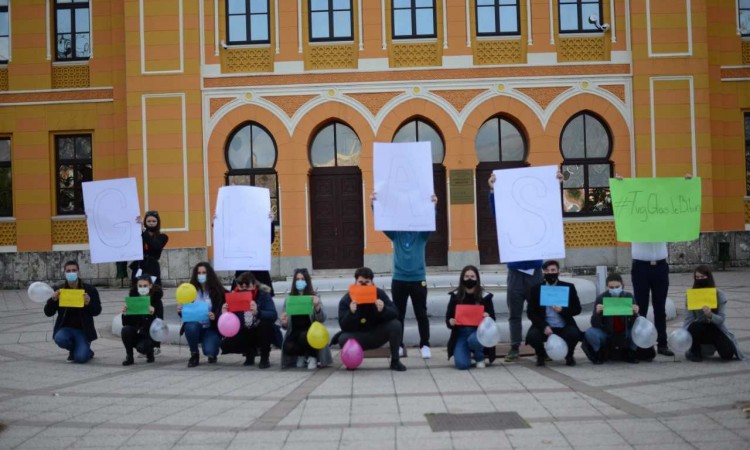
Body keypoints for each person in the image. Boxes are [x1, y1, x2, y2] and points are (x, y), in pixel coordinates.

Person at [371, 192, 437, 359]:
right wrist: (374, 205)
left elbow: (430, 222)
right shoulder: (396, 234)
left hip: (418, 280)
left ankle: (425, 345)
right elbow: (382, 222)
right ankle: (398, 345)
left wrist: (433, 206)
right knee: (398, 314)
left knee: (421, 314)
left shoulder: (422, 234)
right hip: (399, 279)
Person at [488, 174, 544, 363]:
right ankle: (514, 347)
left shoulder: (537, 213)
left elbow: (550, 207)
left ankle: (540, 347)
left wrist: (556, 185)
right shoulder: (509, 216)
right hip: (515, 272)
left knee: (538, 311)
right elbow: (497, 212)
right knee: (514, 313)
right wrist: (493, 191)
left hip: (535, 271)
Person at [336, 267, 406, 371]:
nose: (364, 285)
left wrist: (383, 309)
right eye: (360, 282)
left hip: (376, 334)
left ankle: (395, 361)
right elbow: (343, 325)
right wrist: (351, 312)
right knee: (343, 338)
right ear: (355, 282)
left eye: (367, 282)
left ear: (372, 282)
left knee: (396, 325)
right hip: (358, 336)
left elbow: (395, 313)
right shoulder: (347, 299)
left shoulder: (379, 294)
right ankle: (351, 361)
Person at [683, 265, 746, 362]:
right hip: (699, 328)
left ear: (708, 277)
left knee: (727, 354)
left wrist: (710, 315)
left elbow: (721, 319)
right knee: (694, 326)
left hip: (715, 328)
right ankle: (695, 352)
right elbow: (688, 319)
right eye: (697, 277)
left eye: (702, 277)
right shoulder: (691, 295)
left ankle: (716, 345)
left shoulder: (719, 294)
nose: (700, 279)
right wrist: (685, 338)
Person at [526, 260, 582, 366]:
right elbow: (531, 312)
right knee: (532, 336)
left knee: (574, 334)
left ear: (558, 271)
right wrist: (543, 326)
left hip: (563, 324)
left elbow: (577, 309)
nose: (550, 273)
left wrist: (562, 310)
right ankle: (541, 355)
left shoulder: (568, 287)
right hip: (545, 325)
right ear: (543, 272)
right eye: (547, 270)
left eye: (553, 270)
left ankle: (569, 355)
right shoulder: (536, 289)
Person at [44, 260, 102, 364]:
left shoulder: (90, 289)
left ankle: (86, 351)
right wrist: (53, 301)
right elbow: (48, 312)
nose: (71, 273)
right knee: (59, 338)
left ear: (78, 272)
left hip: (83, 330)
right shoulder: (59, 289)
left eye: (74, 270)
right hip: (65, 328)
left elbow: (97, 311)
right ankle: (74, 349)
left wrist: (89, 303)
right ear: (64, 273)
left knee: (80, 358)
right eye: (68, 271)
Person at [220, 271, 278, 369]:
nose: (244, 289)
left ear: (254, 285)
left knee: (265, 325)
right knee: (226, 344)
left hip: (260, 330)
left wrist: (258, 312)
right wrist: (224, 314)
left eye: (247, 286)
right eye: (241, 286)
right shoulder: (234, 296)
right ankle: (249, 354)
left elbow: (273, 315)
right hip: (244, 330)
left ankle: (264, 357)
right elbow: (228, 322)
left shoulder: (263, 295)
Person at [445, 265, 497, 370]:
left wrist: (487, 317)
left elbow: (493, 320)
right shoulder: (455, 296)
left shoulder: (485, 297)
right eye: (466, 276)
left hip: (478, 333)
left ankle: (479, 357)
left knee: (473, 340)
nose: (469, 279)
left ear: (477, 278)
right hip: (461, 334)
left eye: (472, 276)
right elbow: (448, 317)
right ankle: (466, 352)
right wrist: (451, 321)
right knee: (462, 365)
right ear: (462, 278)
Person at [581, 273, 640, 364]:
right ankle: (598, 353)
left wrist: (635, 313)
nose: (614, 289)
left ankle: (631, 352)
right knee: (590, 333)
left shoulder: (628, 296)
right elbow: (594, 323)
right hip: (607, 332)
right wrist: (597, 313)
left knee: (639, 331)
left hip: (624, 331)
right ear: (607, 287)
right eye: (611, 287)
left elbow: (635, 323)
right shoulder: (601, 298)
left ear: (622, 285)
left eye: (617, 287)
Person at [280, 268, 332, 369]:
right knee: (287, 347)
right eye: (297, 279)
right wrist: (284, 322)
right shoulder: (289, 299)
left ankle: (312, 357)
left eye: (302, 279)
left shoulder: (314, 297)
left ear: (307, 281)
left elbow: (322, 319)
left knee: (304, 336)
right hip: (295, 331)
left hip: (312, 332)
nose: (300, 282)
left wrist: (317, 307)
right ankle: (302, 355)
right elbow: (285, 325)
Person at [178, 262, 225, 368]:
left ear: (209, 274)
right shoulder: (190, 290)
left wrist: (215, 316)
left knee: (210, 351)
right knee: (190, 326)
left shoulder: (217, 291)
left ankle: (212, 350)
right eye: (199, 273)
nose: (201, 275)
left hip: (211, 327)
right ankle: (194, 354)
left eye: (204, 272)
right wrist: (181, 311)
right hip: (196, 326)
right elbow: (186, 314)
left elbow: (223, 309)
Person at [120, 274, 163, 366]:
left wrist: (153, 313)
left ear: (150, 286)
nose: (142, 288)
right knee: (125, 330)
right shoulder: (133, 299)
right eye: (140, 286)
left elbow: (160, 323)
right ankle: (129, 356)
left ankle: (150, 352)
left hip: (149, 334)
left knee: (142, 347)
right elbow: (126, 323)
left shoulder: (156, 300)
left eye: (145, 286)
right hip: (137, 331)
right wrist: (125, 314)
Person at [130, 211, 169, 286]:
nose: (151, 223)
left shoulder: (162, 237)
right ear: (145, 222)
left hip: (152, 267)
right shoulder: (141, 235)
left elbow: (155, 246)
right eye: (148, 221)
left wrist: (144, 231)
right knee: (136, 290)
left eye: (154, 221)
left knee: (153, 290)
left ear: (158, 222)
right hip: (139, 266)